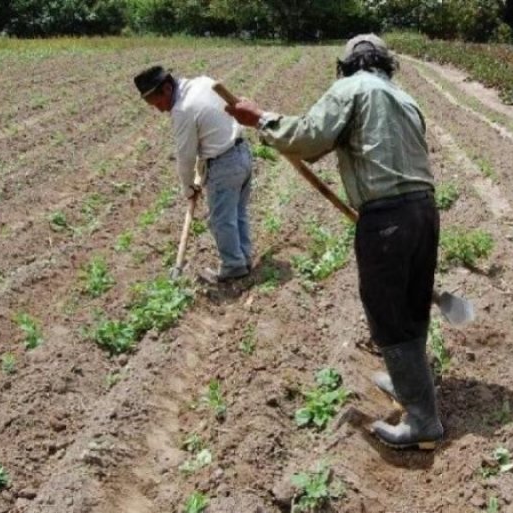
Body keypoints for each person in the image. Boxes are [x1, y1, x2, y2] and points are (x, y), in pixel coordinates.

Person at [225, 35, 443, 450]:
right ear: (385, 64)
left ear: (348, 64)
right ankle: (408, 384)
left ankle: (422, 421)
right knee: (411, 302)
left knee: (387, 312)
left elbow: (309, 139)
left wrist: (260, 119)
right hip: (423, 209)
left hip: (386, 217)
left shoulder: (352, 88)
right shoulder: (404, 97)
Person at [133, 65, 253, 283]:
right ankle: (244, 258)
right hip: (243, 153)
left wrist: (188, 188)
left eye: (158, 103)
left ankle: (234, 266)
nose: (159, 110)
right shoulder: (204, 82)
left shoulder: (182, 109)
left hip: (224, 164)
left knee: (221, 220)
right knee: (237, 213)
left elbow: (185, 156)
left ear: (168, 89)